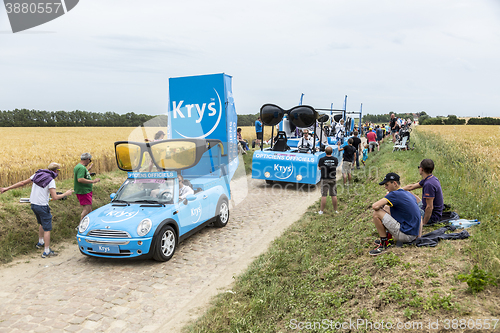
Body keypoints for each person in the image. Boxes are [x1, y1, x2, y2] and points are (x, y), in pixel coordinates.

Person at [0, 163, 73, 258]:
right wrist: (66, 194)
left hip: (33, 204)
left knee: (41, 223)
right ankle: (46, 251)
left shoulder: (37, 174)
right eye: (59, 170)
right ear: (55, 171)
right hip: (42, 206)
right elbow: (55, 197)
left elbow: (22, 183)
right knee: (47, 228)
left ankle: (40, 242)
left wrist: (7, 188)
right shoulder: (51, 180)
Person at [370, 173, 420, 256]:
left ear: (395, 183)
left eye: (387, 185)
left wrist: (382, 203)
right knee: (386, 208)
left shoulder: (394, 194)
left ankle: (384, 244)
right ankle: (388, 239)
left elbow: (374, 206)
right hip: (413, 233)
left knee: (376, 213)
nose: (386, 187)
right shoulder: (406, 193)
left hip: (406, 235)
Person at [402, 159, 444, 229]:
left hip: (432, 216)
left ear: (421, 169)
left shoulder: (429, 184)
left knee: (405, 207)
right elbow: (411, 187)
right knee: (407, 193)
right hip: (425, 208)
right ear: (433, 169)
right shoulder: (431, 179)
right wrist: (396, 191)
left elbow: (429, 207)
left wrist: (424, 222)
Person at [74, 153, 100, 222]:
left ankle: (90, 223)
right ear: (88, 159)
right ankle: (81, 226)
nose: (89, 162)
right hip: (83, 191)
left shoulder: (79, 167)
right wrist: (93, 181)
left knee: (90, 209)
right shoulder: (81, 168)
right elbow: (80, 179)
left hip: (86, 191)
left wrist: (88, 169)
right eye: (90, 160)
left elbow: (82, 173)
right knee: (87, 209)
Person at [317, 146, 339, 214]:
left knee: (324, 195)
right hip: (333, 178)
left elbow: (319, 168)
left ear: (325, 152)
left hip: (325, 178)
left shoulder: (322, 159)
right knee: (334, 195)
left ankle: (321, 211)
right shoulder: (335, 159)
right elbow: (336, 166)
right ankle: (335, 210)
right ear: (332, 152)